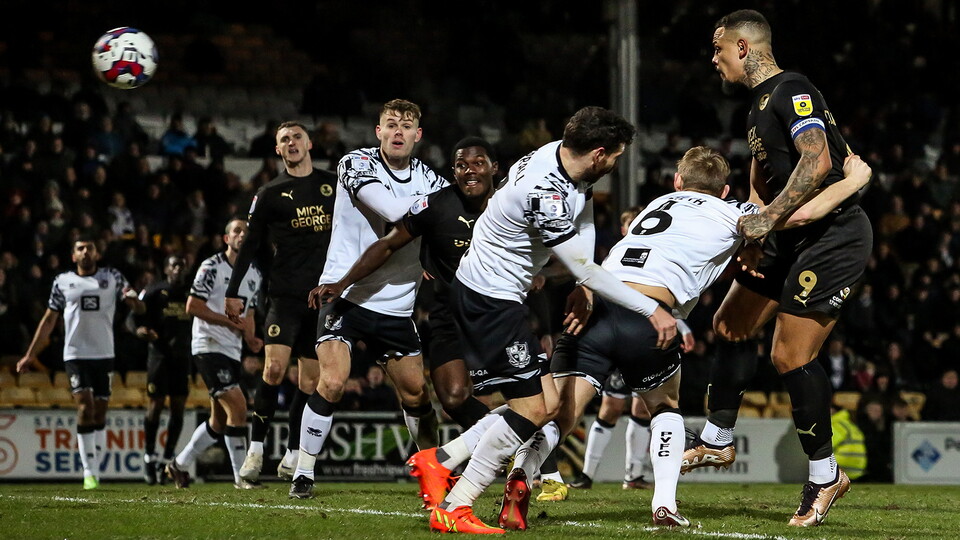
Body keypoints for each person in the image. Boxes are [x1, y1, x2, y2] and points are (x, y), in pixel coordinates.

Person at [549, 147, 871, 528]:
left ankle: (521, 469)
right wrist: (854, 180)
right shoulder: (733, 209)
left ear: (677, 181)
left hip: (603, 303)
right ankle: (687, 471)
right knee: (677, 390)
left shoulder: (658, 203)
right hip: (650, 315)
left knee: (561, 411)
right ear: (724, 191)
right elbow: (777, 211)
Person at [408, 106, 674, 534]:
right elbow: (585, 266)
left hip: (499, 295)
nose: (616, 163)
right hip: (488, 298)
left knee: (549, 406)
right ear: (599, 153)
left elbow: (584, 223)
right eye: (616, 156)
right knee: (533, 409)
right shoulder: (543, 192)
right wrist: (652, 309)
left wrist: (584, 283)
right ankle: (456, 504)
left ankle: (440, 459)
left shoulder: (563, 157)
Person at [682, 10, 874, 528]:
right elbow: (761, 179)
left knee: (789, 356)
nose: (714, 59)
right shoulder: (757, 106)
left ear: (743, 47)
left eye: (719, 48)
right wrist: (755, 228)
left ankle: (826, 475)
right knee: (730, 324)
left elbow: (815, 162)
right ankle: (718, 439)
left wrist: (765, 220)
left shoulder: (792, 90)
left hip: (832, 236)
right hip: (789, 234)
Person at [292, 99, 447, 499]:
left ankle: (432, 471)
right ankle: (303, 472)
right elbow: (394, 211)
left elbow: (452, 227)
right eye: (390, 124)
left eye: (406, 126)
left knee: (417, 394)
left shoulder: (430, 178)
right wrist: (436, 213)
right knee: (332, 381)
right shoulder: (356, 163)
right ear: (378, 132)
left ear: (418, 135)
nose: (398, 131)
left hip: (397, 304)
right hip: (343, 292)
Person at [310, 136, 496, 431]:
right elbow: (388, 242)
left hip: (497, 310)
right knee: (452, 397)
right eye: (462, 165)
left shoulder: (506, 206)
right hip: (447, 312)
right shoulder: (437, 203)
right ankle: (510, 444)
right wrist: (342, 282)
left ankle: (532, 453)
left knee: (523, 395)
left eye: (479, 163)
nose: (470, 170)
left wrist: (542, 276)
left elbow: (543, 248)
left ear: (494, 167)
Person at [223, 121, 337, 484]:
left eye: (297, 137)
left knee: (309, 381)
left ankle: (291, 454)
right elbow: (251, 244)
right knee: (273, 369)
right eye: (284, 139)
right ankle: (255, 451)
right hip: (284, 296)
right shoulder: (270, 193)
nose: (291, 143)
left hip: (321, 299)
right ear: (277, 150)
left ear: (309, 143)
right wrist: (233, 290)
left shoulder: (333, 184)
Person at [17, 238, 144, 489]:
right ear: (73, 256)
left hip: (104, 354)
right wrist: (30, 354)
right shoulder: (62, 281)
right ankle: (89, 473)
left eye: (90, 248)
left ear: (97, 254)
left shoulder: (113, 277)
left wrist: (134, 301)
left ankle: (96, 466)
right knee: (85, 408)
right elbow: (49, 320)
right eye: (80, 249)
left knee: (100, 411)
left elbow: (138, 308)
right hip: (75, 354)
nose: (85, 252)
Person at [165, 218, 264, 489]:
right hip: (208, 344)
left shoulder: (254, 273)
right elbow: (192, 306)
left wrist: (251, 338)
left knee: (219, 421)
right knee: (239, 407)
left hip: (232, 350)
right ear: (226, 239)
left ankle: (178, 465)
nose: (242, 235)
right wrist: (229, 322)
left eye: (246, 231)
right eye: (237, 231)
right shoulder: (211, 266)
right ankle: (241, 478)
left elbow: (249, 313)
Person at [135, 254, 192, 485]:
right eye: (174, 265)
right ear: (166, 269)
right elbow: (133, 318)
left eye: (182, 265)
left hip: (183, 357)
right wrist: (140, 331)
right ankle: (149, 457)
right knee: (155, 406)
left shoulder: (192, 292)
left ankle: (168, 459)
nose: (178, 268)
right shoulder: (154, 291)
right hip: (159, 356)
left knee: (178, 409)